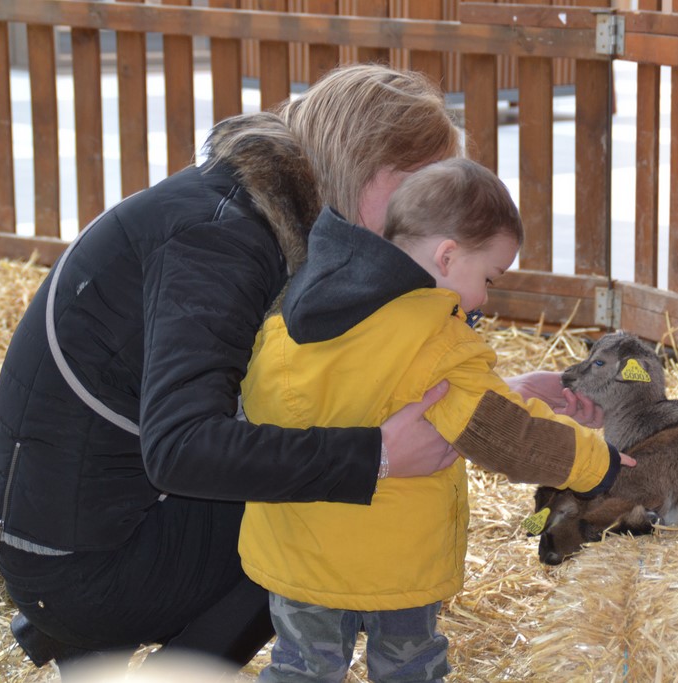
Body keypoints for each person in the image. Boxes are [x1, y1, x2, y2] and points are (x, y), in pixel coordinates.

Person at [0, 64, 598, 675]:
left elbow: (311, 393)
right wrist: (375, 456)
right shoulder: (221, 242)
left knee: (313, 485)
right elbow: (181, 448)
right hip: (80, 564)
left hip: (87, 525)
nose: (435, 215)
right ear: (374, 173)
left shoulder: (261, 216)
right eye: (425, 188)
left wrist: (480, 399)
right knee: (313, 527)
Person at [238, 158, 632, 682]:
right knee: (410, 667)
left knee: (301, 670)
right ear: (447, 256)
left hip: (295, 556)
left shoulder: (294, 311)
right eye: (488, 277)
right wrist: (597, 463)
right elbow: (507, 435)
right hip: (394, 561)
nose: (485, 298)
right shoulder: (439, 341)